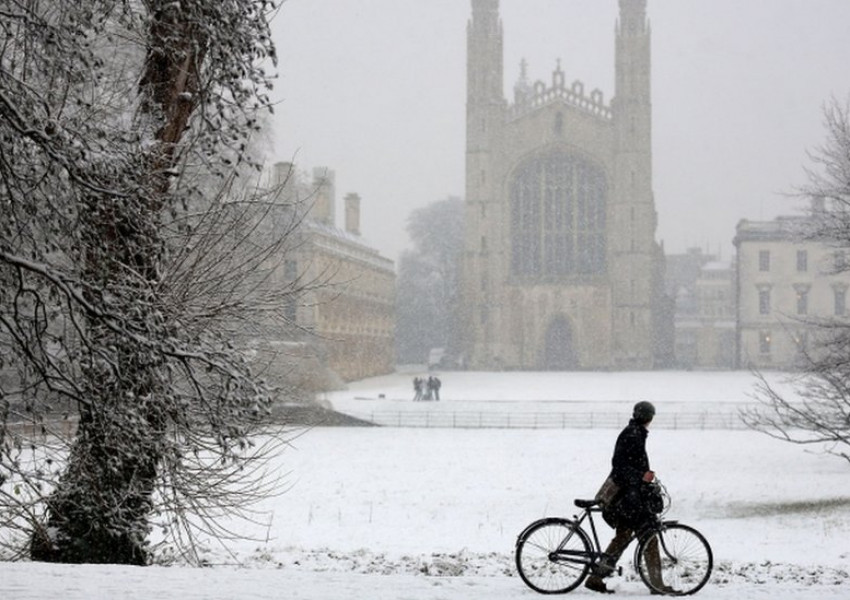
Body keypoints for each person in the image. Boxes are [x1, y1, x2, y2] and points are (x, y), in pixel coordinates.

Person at [585, 401, 674, 595]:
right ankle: (656, 585)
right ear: (649, 418)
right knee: (649, 540)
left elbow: (625, 466)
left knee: (623, 538)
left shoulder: (634, 433)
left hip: (628, 499)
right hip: (629, 500)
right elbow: (620, 466)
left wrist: (642, 477)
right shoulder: (633, 434)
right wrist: (641, 477)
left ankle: (596, 577)